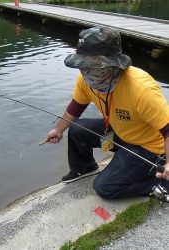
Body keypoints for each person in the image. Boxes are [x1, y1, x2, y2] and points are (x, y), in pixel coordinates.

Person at [42, 26, 169, 199]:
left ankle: (161, 185)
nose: (86, 73)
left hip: (150, 147)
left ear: (114, 65)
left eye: (94, 67)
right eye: (83, 66)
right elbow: (76, 106)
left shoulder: (141, 88)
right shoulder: (85, 79)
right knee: (77, 129)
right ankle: (85, 167)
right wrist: (58, 130)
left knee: (105, 187)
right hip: (120, 131)